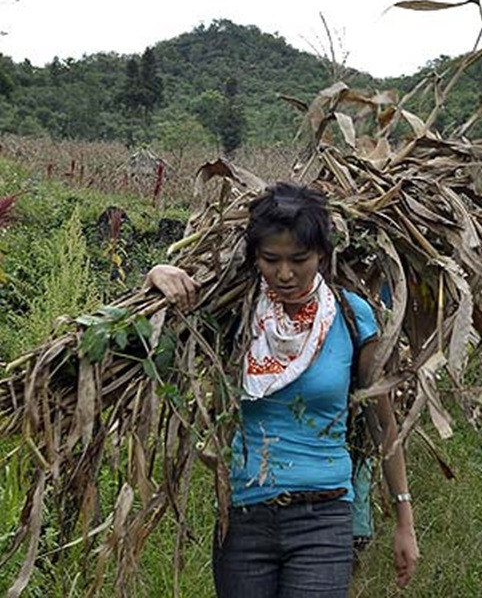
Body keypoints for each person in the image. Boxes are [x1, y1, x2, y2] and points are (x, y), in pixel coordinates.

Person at [145, 182, 418, 597]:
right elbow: (153, 338)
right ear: (255, 257)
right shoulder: (236, 312)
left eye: (299, 259)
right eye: (271, 260)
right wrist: (156, 274)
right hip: (243, 515)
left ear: (322, 255)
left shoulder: (349, 316)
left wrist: (404, 520)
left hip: (324, 517)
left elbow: (383, 424)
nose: (285, 274)